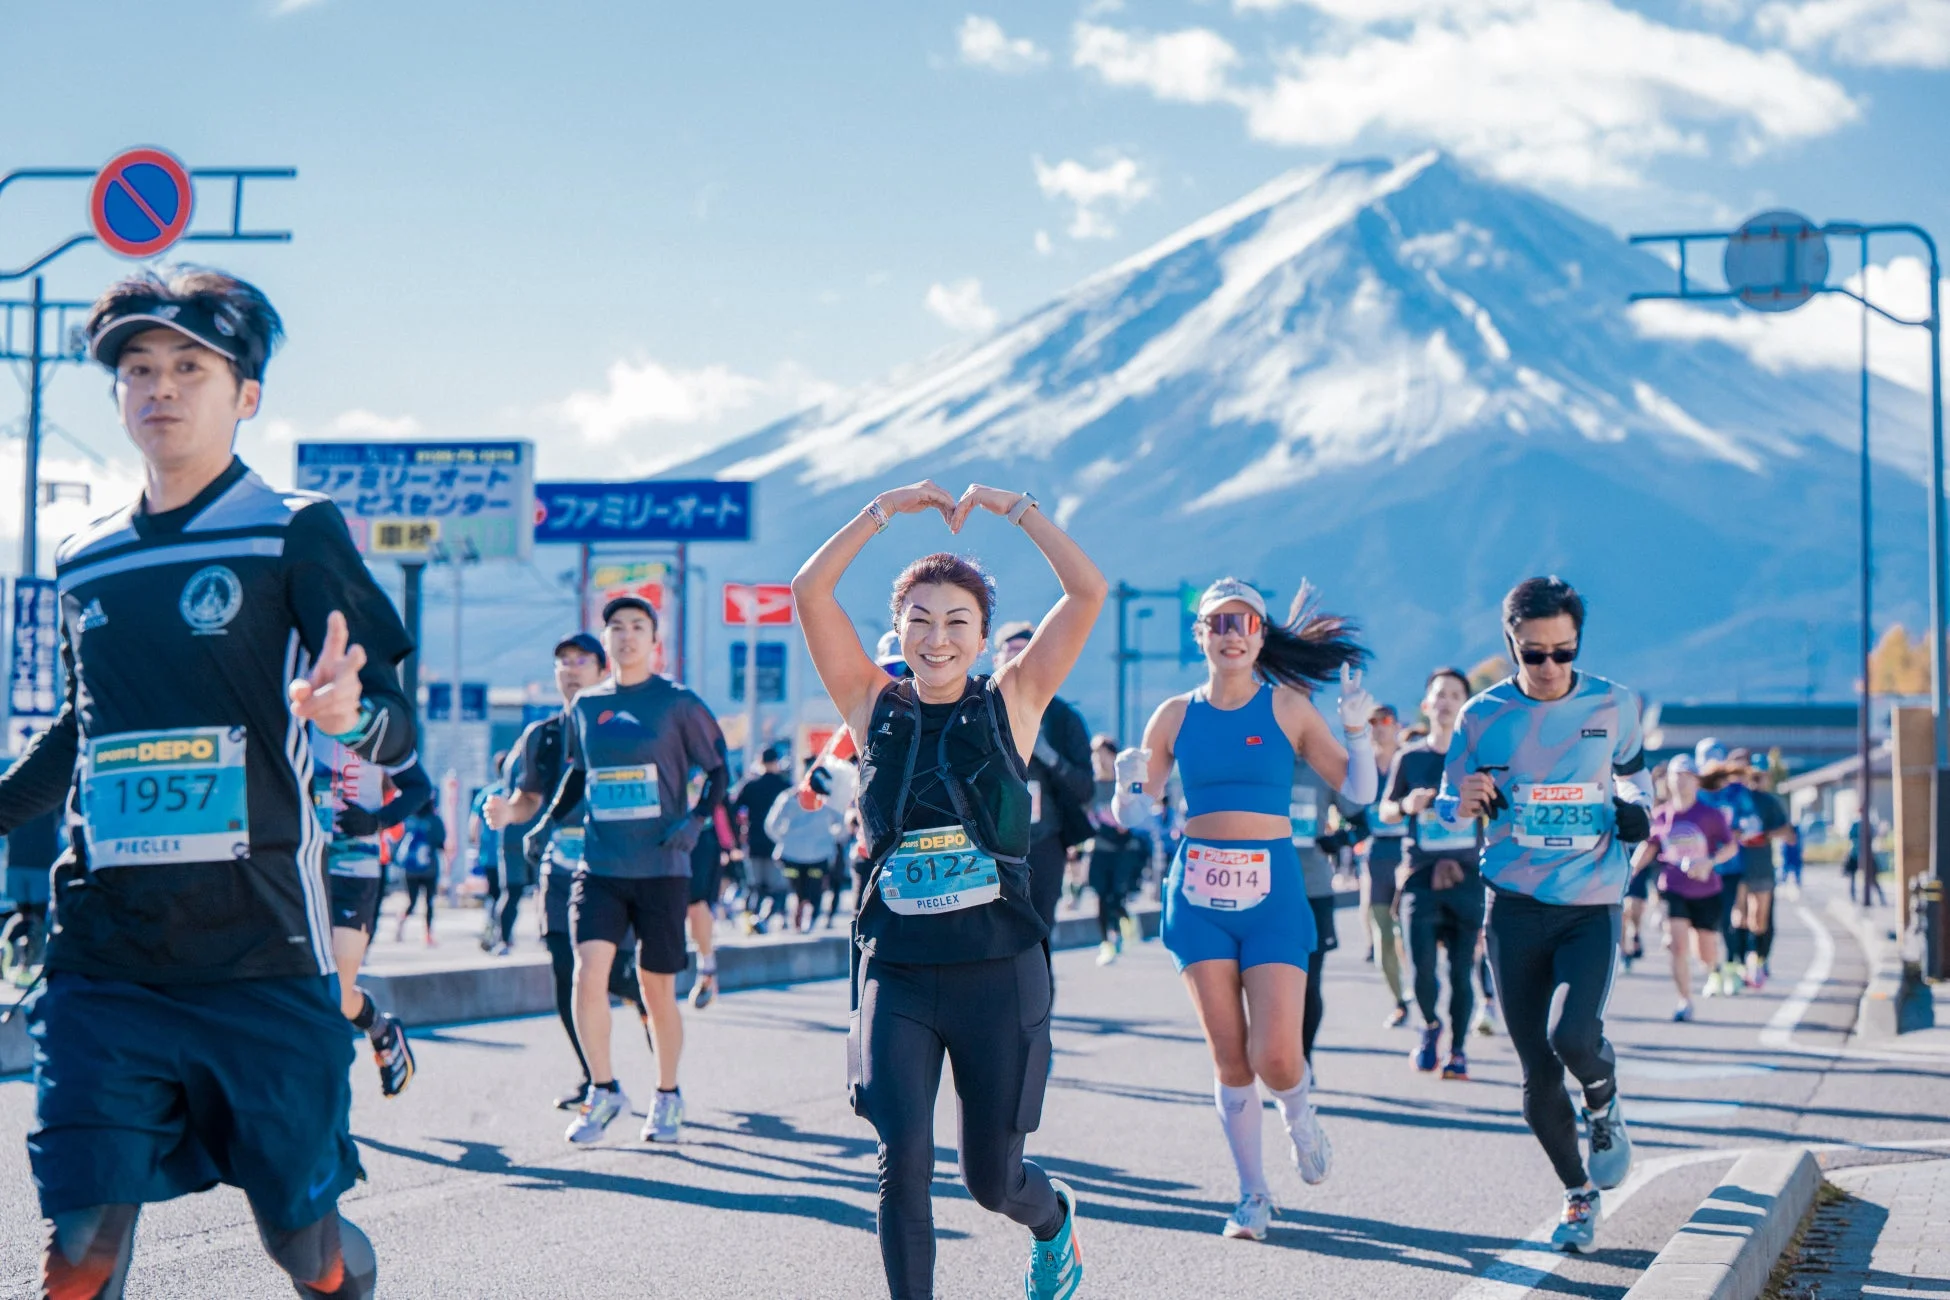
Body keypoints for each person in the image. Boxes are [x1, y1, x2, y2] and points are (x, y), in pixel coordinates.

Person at [0, 268, 409, 1298]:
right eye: (139, 369)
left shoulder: (292, 531)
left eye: (190, 367)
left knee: (301, 1244)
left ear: (247, 395)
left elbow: (394, 727)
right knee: (80, 1244)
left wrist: (346, 712)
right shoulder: (84, 557)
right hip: (107, 960)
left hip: (261, 954)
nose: (161, 389)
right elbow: (80, 735)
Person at [794, 480, 1103, 1300]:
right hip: (897, 966)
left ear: (983, 638)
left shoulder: (1015, 701)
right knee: (904, 1163)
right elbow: (808, 591)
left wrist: (1019, 510)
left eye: (957, 621)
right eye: (920, 620)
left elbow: (1086, 592)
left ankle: (1054, 1222)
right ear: (897, 630)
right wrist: (883, 511)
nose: (937, 638)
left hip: (998, 967)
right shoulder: (871, 705)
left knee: (992, 1182)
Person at [1115, 577, 1375, 1243]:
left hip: (1274, 897)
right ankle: (1252, 1196)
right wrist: (1125, 788)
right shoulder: (1172, 716)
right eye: (1217, 623)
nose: (1230, 633)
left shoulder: (1287, 707)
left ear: (1260, 636)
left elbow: (1359, 792)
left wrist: (1358, 731)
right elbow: (1136, 810)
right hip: (1198, 898)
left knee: (1277, 1056)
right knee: (1231, 1058)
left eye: (1243, 622)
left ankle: (1299, 1116)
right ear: (1199, 636)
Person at [1440, 576, 1653, 1253]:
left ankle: (1604, 1098)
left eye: (1564, 652)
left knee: (1575, 1037)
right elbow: (1448, 806)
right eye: (1535, 655)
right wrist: (1464, 799)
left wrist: (1635, 814)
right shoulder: (1480, 716)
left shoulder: (1615, 704)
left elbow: (1636, 780)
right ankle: (1578, 1195)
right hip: (1514, 907)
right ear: (1512, 646)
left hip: (1590, 901)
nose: (1551, 668)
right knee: (1535, 1072)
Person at [524, 595, 730, 1146]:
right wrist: (545, 822)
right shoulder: (586, 706)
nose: (626, 636)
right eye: (616, 627)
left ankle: (667, 1095)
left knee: (655, 989)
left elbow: (718, 772)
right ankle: (604, 1088)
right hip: (601, 863)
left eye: (638, 627)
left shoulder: (678, 703)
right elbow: (576, 774)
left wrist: (695, 823)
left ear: (654, 641)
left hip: (662, 865)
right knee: (586, 974)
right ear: (608, 638)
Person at [491, 632, 650, 1110]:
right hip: (559, 872)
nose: (570, 667)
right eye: (562, 660)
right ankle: (595, 1078)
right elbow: (529, 802)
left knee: (620, 975)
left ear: (603, 669)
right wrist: (507, 813)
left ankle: (651, 1018)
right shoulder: (541, 735)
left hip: (618, 870)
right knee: (567, 973)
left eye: (581, 659)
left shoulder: (625, 725)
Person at [1378, 667, 1483, 1079]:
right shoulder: (1411, 758)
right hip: (1419, 874)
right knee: (1421, 968)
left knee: (1461, 970)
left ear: (1465, 707)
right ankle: (1430, 1026)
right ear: (1426, 706)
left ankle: (1457, 1050)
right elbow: (1385, 810)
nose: (1445, 702)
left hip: (1467, 874)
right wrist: (1407, 805)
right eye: (1439, 695)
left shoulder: (1475, 757)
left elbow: (1498, 808)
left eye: (1454, 695)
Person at [313, 739, 431, 1095]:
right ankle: (377, 1026)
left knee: (333, 993)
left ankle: (329, 1110)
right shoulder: (292, 714)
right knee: (310, 990)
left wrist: (377, 821)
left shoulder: (372, 721)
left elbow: (419, 787)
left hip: (353, 868)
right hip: (297, 868)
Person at [992, 620, 1095, 928]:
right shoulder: (977, 710)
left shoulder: (1064, 718)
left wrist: (1049, 756)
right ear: (996, 659)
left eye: (1027, 653)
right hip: (988, 837)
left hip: (1044, 839)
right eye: (1011, 653)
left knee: (1040, 927)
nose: (1018, 661)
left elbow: (1085, 789)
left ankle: (1041, 978)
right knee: (991, 930)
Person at [1634, 756, 1736, 1020]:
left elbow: (1731, 846)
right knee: (1678, 947)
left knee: (1705, 952)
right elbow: (1650, 847)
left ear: (1697, 781)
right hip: (1673, 887)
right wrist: (1628, 871)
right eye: (1675, 775)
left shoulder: (1710, 815)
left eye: (1687, 775)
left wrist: (1709, 862)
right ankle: (1684, 1000)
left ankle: (1715, 968)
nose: (1680, 781)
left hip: (1706, 890)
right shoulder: (1661, 816)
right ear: (1667, 781)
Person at [1360, 705, 1409, 1028]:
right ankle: (1399, 1000)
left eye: (1386, 721)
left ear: (1397, 725)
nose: (1379, 727)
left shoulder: (1410, 761)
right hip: (1377, 854)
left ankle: (1427, 997)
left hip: (1409, 853)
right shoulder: (1361, 766)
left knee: (1409, 934)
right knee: (1382, 939)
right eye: (1373, 722)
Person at [766, 764, 850, 931]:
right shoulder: (827, 799)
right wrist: (831, 839)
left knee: (796, 889)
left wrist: (783, 839)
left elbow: (771, 825)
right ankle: (809, 916)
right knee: (815, 888)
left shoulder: (789, 797)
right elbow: (842, 826)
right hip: (819, 854)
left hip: (791, 854)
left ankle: (798, 911)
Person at [1086, 736, 1147, 964]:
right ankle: (1107, 942)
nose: (1098, 759)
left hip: (1124, 849)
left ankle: (1123, 927)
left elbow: (1142, 809)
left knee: (1117, 896)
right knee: (1101, 896)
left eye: (1102, 754)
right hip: (1100, 848)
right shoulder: (1091, 785)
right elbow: (1085, 815)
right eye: (1095, 755)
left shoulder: (1126, 782)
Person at [731, 744, 793, 935]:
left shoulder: (750, 785)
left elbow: (732, 808)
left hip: (753, 842)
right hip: (777, 844)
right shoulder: (785, 786)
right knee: (778, 887)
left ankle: (753, 919)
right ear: (776, 763)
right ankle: (766, 918)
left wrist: (737, 836)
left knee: (755, 885)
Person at [393, 802, 445, 944]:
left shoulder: (409, 819)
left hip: (409, 869)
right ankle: (428, 934)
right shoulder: (434, 820)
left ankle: (401, 924)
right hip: (430, 868)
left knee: (412, 901)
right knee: (429, 902)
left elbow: (397, 840)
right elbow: (441, 843)